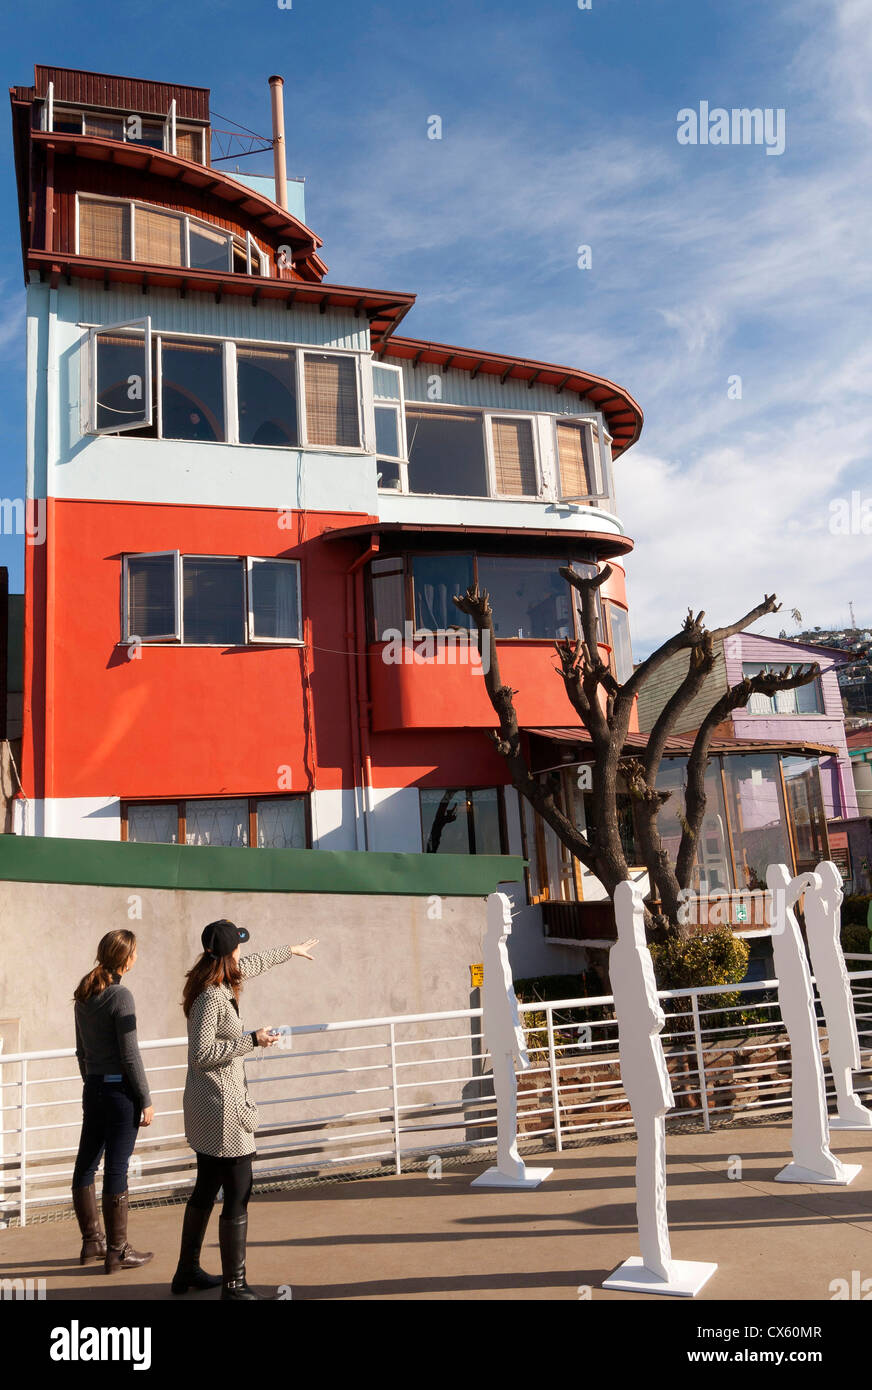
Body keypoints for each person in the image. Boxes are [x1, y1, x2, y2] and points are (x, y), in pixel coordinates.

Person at [173, 919, 318, 1300]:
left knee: (206, 1189)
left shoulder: (215, 978)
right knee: (238, 1191)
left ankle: (186, 1270)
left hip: (209, 1105)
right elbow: (201, 1055)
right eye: (238, 945)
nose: (242, 951)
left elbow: (251, 964)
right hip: (221, 1108)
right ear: (226, 952)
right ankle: (234, 1286)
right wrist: (250, 1040)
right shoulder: (211, 995)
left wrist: (289, 951)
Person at [72, 929, 154, 1274]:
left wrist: (92, 1084)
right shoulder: (121, 996)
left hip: (94, 1089)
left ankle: (93, 1242)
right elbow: (130, 1053)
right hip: (120, 1094)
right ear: (126, 958)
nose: (137, 957)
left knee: (87, 1165)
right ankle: (117, 1251)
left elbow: (81, 1052)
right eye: (134, 952)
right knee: (117, 1169)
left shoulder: (85, 993)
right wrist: (145, 1098)